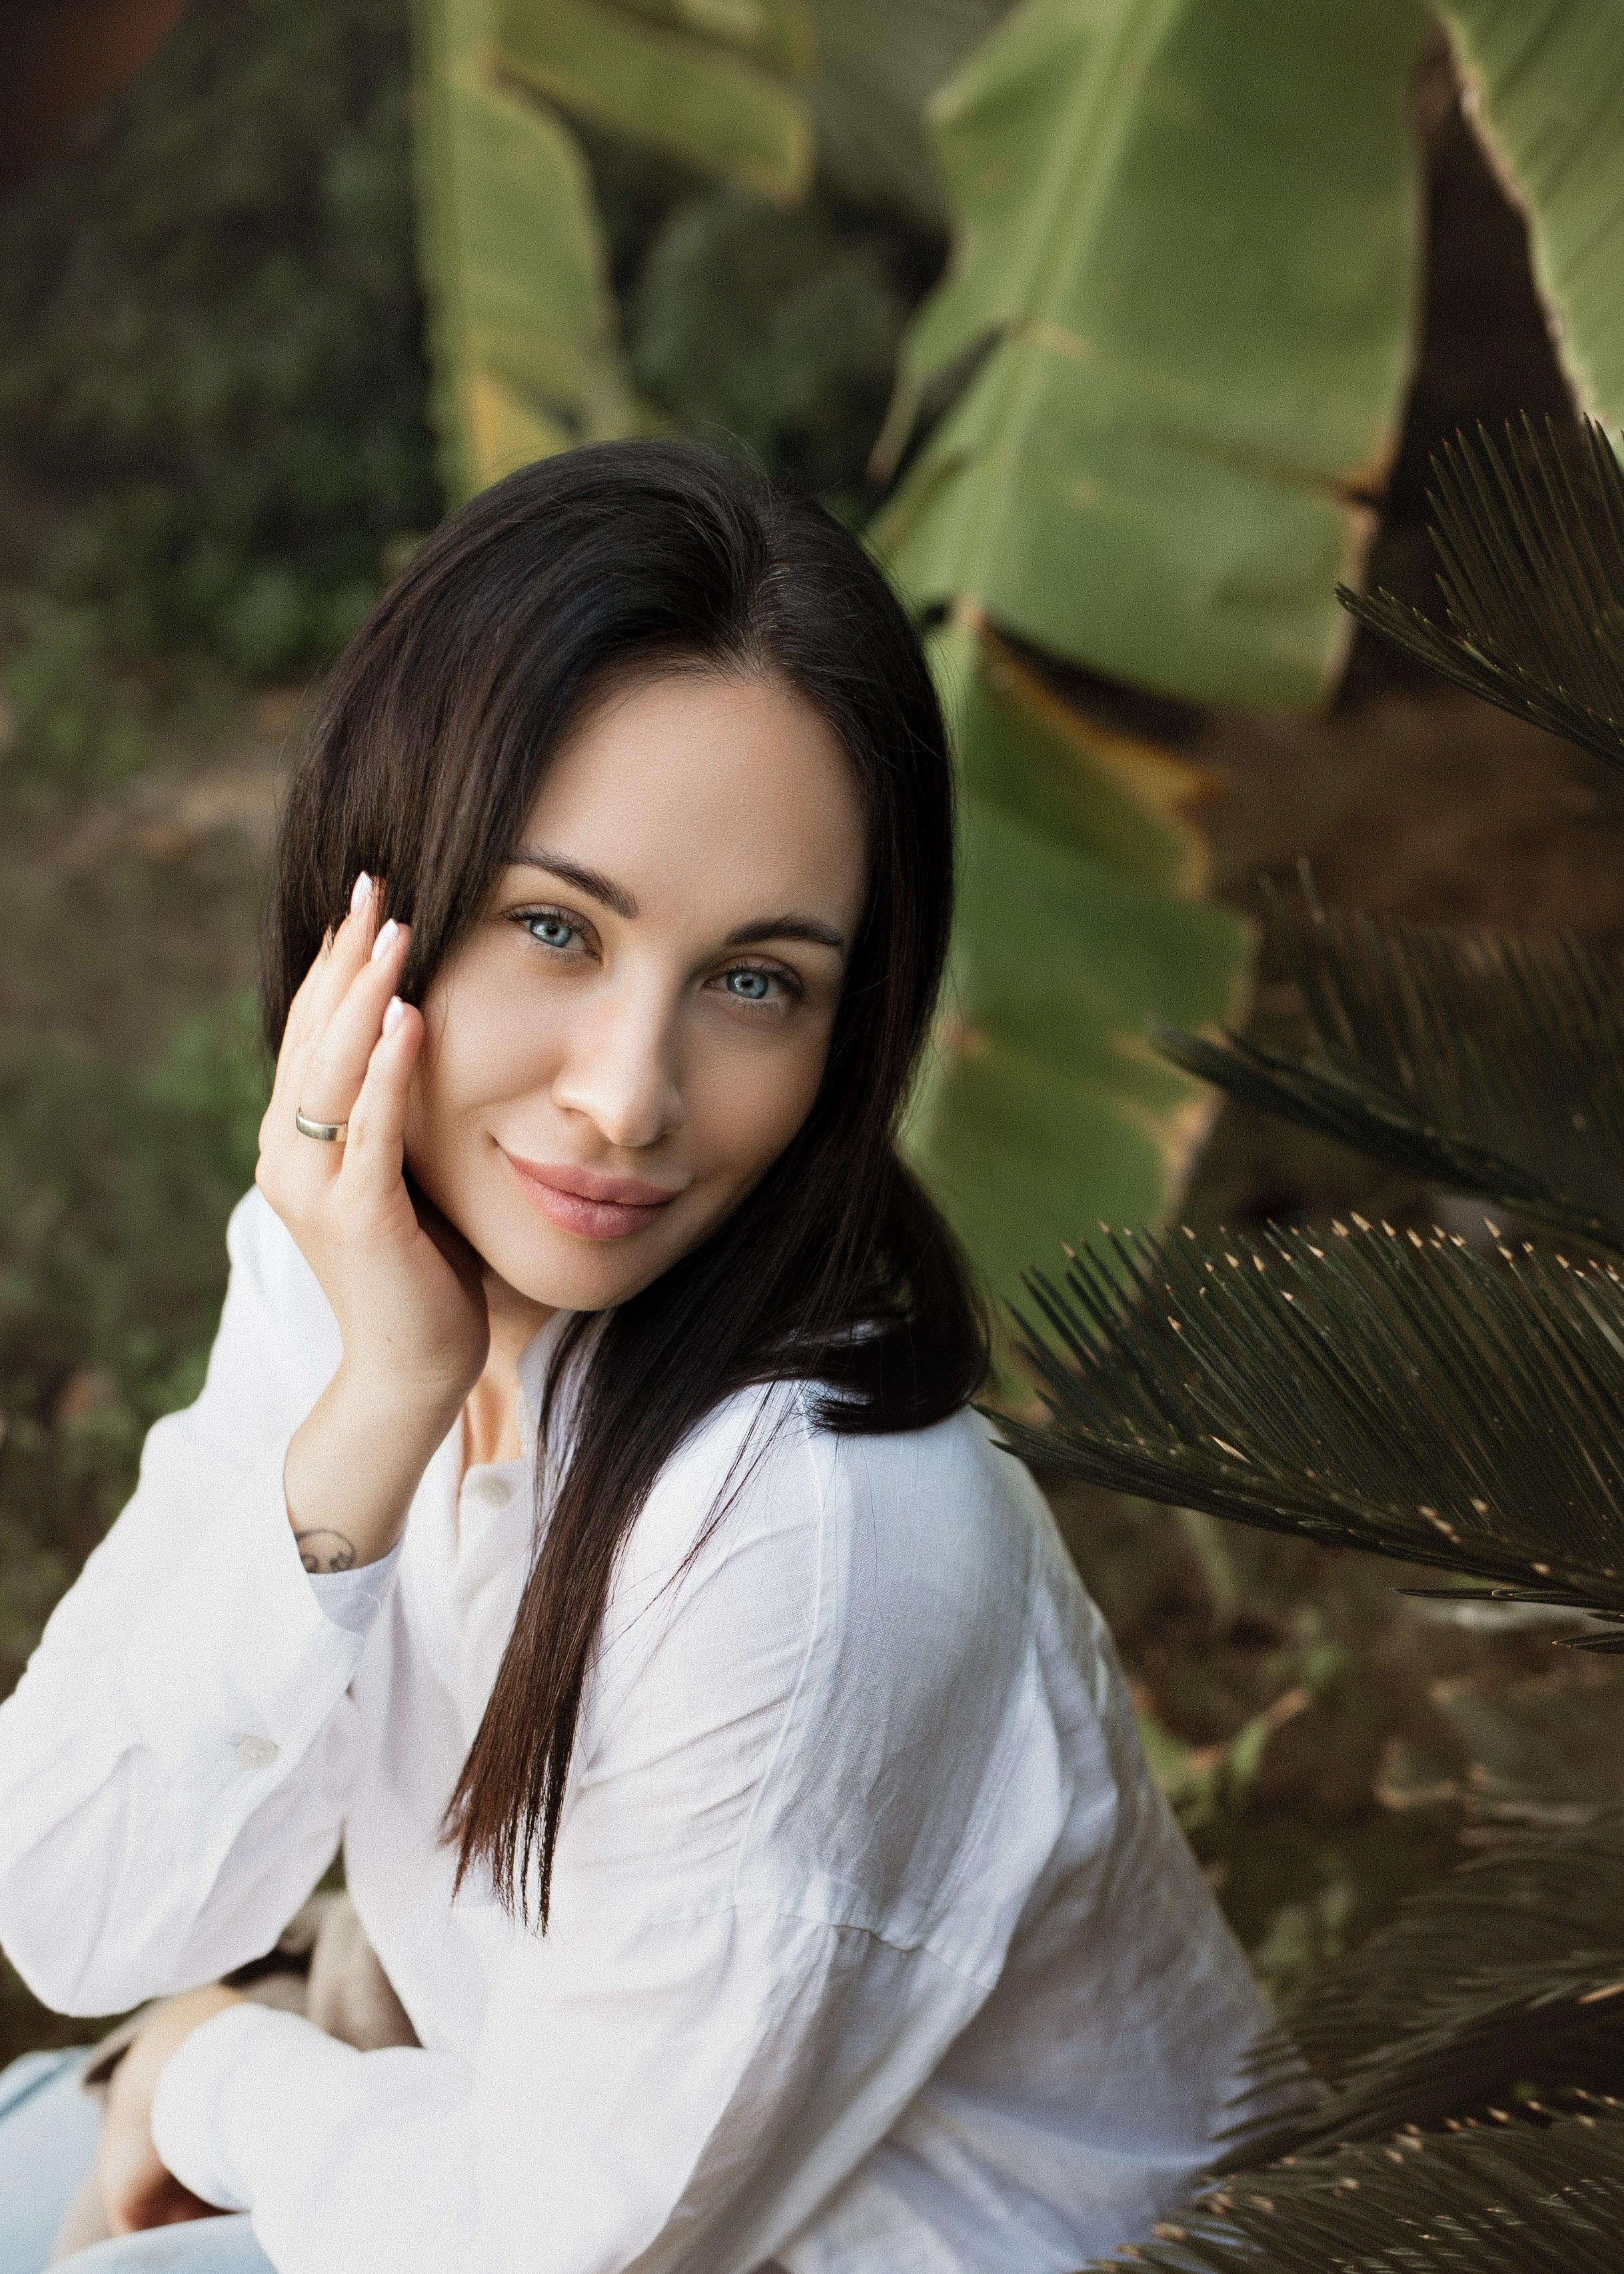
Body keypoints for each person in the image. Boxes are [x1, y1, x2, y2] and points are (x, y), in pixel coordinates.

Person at [0, 442, 1265, 2274]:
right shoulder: (359, 1258)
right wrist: (374, 1410)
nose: (626, 1097)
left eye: (758, 979)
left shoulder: (816, 1529)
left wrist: (210, 2070)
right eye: (556, 926)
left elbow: (547, 2244)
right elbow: (75, 1895)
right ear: (379, 910)